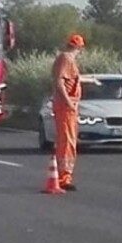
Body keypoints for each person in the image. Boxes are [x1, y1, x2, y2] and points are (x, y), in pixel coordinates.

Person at [50, 33, 85, 191]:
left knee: (69, 140)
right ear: (80, 48)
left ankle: (65, 175)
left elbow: (71, 79)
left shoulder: (67, 59)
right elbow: (60, 82)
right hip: (66, 107)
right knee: (67, 141)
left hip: (68, 106)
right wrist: (68, 101)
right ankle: (64, 177)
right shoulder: (66, 59)